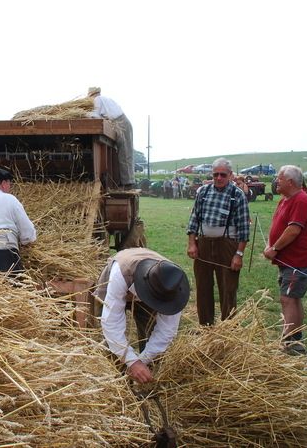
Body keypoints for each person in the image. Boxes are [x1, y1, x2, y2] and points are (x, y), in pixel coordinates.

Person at [90, 248, 190, 383]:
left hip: (152, 286)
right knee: (109, 345)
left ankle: (146, 381)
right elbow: (111, 322)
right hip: (119, 281)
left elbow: (167, 331)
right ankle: (116, 383)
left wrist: (142, 361)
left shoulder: (173, 286)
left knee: (150, 331)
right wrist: (131, 361)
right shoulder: (120, 273)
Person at [187, 158, 250, 326]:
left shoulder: (237, 195)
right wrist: (192, 243)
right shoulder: (203, 192)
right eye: (216, 174)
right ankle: (206, 327)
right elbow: (194, 220)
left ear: (230, 175)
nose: (219, 178)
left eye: (223, 174)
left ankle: (228, 330)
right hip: (204, 244)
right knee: (203, 287)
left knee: (228, 288)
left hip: (227, 245)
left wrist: (239, 254)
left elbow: (244, 229)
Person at [263, 165, 307, 354]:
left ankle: (289, 342)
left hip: (298, 260)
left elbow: (294, 229)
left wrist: (275, 248)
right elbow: (278, 225)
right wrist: (270, 245)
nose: (276, 181)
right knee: (293, 299)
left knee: (288, 299)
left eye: (279, 178)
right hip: (289, 260)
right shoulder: (285, 200)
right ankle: (295, 340)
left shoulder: (301, 200)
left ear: (291, 181)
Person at [87, 87, 134, 189]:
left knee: (124, 153)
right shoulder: (106, 99)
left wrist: (83, 115)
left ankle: (127, 183)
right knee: (123, 153)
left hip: (120, 123)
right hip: (121, 122)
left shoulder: (97, 100)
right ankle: (125, 181)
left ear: (91, 95)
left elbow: (95, 116)